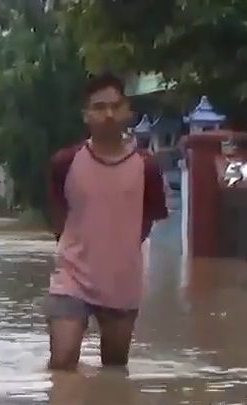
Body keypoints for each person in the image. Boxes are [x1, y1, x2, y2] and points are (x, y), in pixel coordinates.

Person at [46, 71, 169, 371]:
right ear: (86, 115)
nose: (109, 114)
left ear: (129, 112)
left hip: (121, 282)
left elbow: (148, 219)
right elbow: (58, 214)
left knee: (115, 368)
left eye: (116, 106)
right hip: (71, 277)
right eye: (99, 107)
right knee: (63, 362)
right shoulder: (66, 162)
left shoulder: (146, 167)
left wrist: (121, 247)